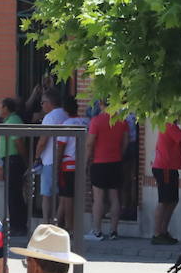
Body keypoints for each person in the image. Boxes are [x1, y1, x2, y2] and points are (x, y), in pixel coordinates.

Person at [88, 105, 131, 240]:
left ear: (101, 104)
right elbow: (126, 142)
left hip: (99, 162)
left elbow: (89, 143)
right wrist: (120, 154)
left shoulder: (96, 120)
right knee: (114, 197)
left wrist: (86, 160)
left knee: (98, 198)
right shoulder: (122, 121)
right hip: (116, 162)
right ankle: (113, 231)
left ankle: (97, 231)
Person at [34, 86, 69, 227]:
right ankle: (58, 222)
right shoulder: (66, 114)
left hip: (49, 159)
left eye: (43, 102)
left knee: (47, 194)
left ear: (50, 102)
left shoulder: (50, 117)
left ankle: (46, 223)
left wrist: (37, 156)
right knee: (62, 194)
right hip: (65, 159)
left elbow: (43, 140)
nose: (41, 105)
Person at [152, 121, 181, 244]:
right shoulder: (169, 125)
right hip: (165, 168)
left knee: (173, 200)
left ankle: (163, 231)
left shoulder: (170, 125)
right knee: (164, 201)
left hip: (170, 168)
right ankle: (157, 233)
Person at [57, 98, 90, 233]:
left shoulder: (66, 124)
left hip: (67, 165)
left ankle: (70, 227)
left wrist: (56, 166)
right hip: (82, 163)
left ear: (65, 110)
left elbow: (60, 148)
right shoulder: (86, 122)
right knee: (70, 196)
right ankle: (58, 224)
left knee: (68, 196)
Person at [0, 96, 29, 235]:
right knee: (12, 194)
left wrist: (25, 160)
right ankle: (15, 225)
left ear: (6, 108)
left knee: (14, 194)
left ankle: (19, 226)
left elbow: (19, 143)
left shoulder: (15, 120)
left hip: (14, 161)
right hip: (9, 161)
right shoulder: (9, 120)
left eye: (1, 106)